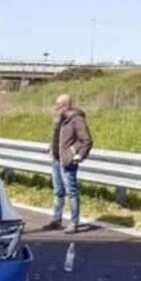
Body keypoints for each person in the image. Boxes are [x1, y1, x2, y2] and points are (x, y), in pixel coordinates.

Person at [42, 94, 93, 234]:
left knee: (71, 192)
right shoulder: (59, 119)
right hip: (56, 159)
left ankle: (73, 222)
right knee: (58, 191)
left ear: (66, 105)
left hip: (67, 161)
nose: (55, 107)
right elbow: (57, 136)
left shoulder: (77, 119)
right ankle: (56, 220)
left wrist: (77, 154)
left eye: (58, 105)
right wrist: (51, 147)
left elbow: (86, 140)